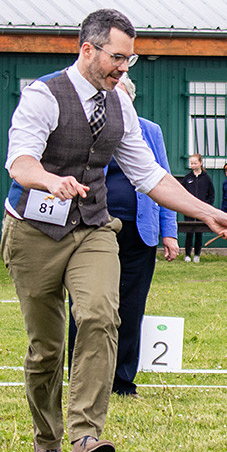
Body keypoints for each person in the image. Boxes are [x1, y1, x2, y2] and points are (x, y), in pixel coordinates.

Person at [1, 8, 227, 452]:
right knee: (47, 347)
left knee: (99, 317)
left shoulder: (120, 104)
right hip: (33, 230)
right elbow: (21, 163)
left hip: (92, 227)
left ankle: (85, 437)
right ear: (87, 49)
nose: (123, 68)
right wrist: (50, 180)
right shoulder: (43, 96)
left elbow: (149, 175)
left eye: (130, 60)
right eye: (117, 57)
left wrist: (209, 211)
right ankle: (47, 439)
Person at [66, 74, 179, 398]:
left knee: (130, 309)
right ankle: (82, 379)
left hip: (138, 232)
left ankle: (122, 381)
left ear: (130, 100)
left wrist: (168, 232)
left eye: (121, 97)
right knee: (87, 307)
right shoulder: (88, 128)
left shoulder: (150, 131)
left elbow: (163, 180)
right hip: (92, 228)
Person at [178, 153, 214, 262]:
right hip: (189, 209)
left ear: (200, 163)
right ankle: (187, 254)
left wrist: (206, 206)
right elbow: (181, 192)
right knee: (189, 231)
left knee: (199, 232)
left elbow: (211, 194)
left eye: (195, 163)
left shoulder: (206, 178)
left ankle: (197, 254)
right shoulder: (187, 178)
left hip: (201, 210)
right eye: (191, 163)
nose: (193, 165)